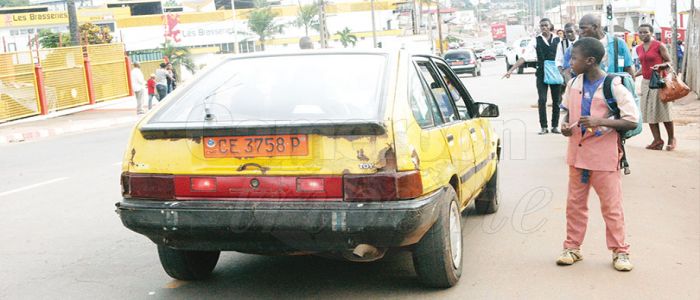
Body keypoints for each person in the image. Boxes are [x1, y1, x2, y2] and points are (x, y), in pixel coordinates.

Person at [558, 37, 639, 272]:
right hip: (577, 156)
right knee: (574, 205)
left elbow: (631, 121)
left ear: (590, 61)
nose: (570, 62)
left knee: (611, 207)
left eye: (574, 58)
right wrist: (564, 126)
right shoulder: (573, 83)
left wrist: (599, 121)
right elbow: (565, 111)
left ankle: (620, 251)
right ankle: (572, 247)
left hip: (604, 158)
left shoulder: (613, 85)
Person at [504, 18, 562, 135]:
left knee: (556, 101)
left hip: (555, 72)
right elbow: (524, 57)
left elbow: (562, 57)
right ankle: (544, 127)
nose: (544, 27)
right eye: (542, 26)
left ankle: (555, 126)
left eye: (546, 25)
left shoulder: (558, 40)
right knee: (542, 100)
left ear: (550, 26)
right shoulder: (536, 40)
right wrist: (511, 70)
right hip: (541, 73)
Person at [635, 24, 675, 151]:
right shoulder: (639, 48)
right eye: (640, 32)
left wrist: (661, 66)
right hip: (646, 83)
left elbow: (670, 62)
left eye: (645, 32)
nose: (643, 35)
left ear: (651, 33)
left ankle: (671, 139)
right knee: (649, 112)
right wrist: (634, 74)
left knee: (664, 111)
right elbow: (644, 65)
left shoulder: (659, 45)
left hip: (659, 82)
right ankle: (657, 140)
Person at [556, 23, 578, 89]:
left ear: (576, 31)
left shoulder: (582, 41)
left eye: (571, 32)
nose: (569, 34)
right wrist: (561, 73)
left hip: (581, 71)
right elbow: (558, 60)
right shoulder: (562, 44)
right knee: (571, 90)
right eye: (567, 32)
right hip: (568, 73)